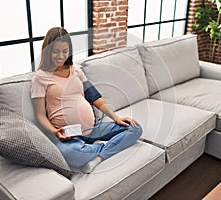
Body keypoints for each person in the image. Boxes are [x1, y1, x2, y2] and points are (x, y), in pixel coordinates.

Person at [31, 27, 142, 174]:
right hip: (68, 136)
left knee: (135, 128)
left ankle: (98, 157)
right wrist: (55, 132)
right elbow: (40, 115)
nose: (60, 56)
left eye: (65, 51)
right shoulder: (40, 78)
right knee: (70, 154)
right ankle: (110, 146)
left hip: (92, 129)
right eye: (55, 51)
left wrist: (116, 118)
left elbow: (95, 97)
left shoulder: (75, 71)